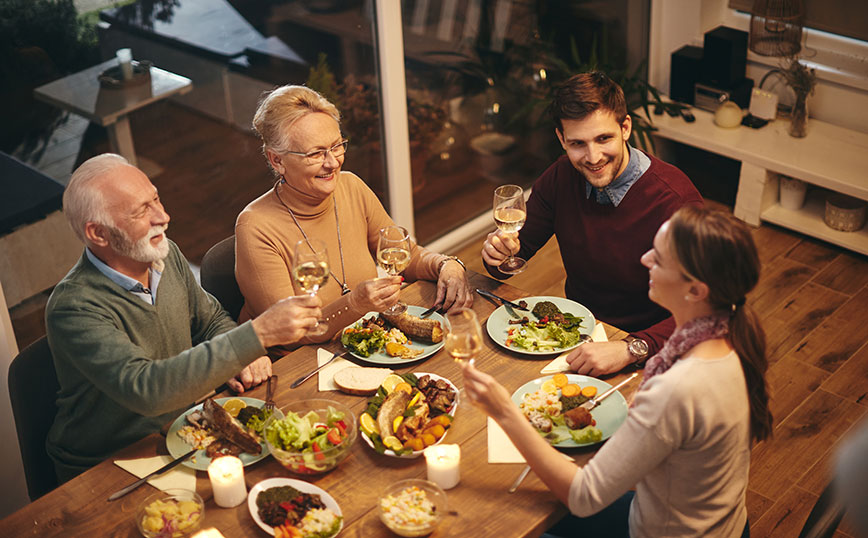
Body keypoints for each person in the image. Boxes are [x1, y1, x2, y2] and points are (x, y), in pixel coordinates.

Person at [464, 206, 772, 537]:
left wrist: (505, 411)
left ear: (695, 291)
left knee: (502, 523)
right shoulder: (729, 339)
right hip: (719, 524)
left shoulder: (678, 389)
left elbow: (582, 497)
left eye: (660, 259)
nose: (645, 260)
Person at [46, 153, 321, 482]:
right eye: (140, 212)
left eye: (156, 198)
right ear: (99, 234)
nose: (163, 216)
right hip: (107, 466)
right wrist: (255, 336)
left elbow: (210, 320)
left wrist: (236, 355)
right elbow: (147, 390)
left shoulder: (165, 254)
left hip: (181, 435)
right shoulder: (74, 307)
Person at [482, 71, 703, 375]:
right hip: (577, 336)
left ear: (625, 127)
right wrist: (497, 254)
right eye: (577, 143)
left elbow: (708, 308)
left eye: (603, 139)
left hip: (655, 348)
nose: (593, 157)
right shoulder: (561, 177)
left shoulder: (675, 200)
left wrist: (631, 347)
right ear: (561, 139)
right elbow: (513, 257)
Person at [235, 85, 472, 343]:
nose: (333, 162)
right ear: (277, 160)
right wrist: (355, 303)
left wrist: (445, 264)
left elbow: (406, 256)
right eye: (316, 153)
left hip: (365, 342)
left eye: (337, 146)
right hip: (296, 367)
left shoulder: (351, 186)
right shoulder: (254, 227)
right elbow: (291, 334)